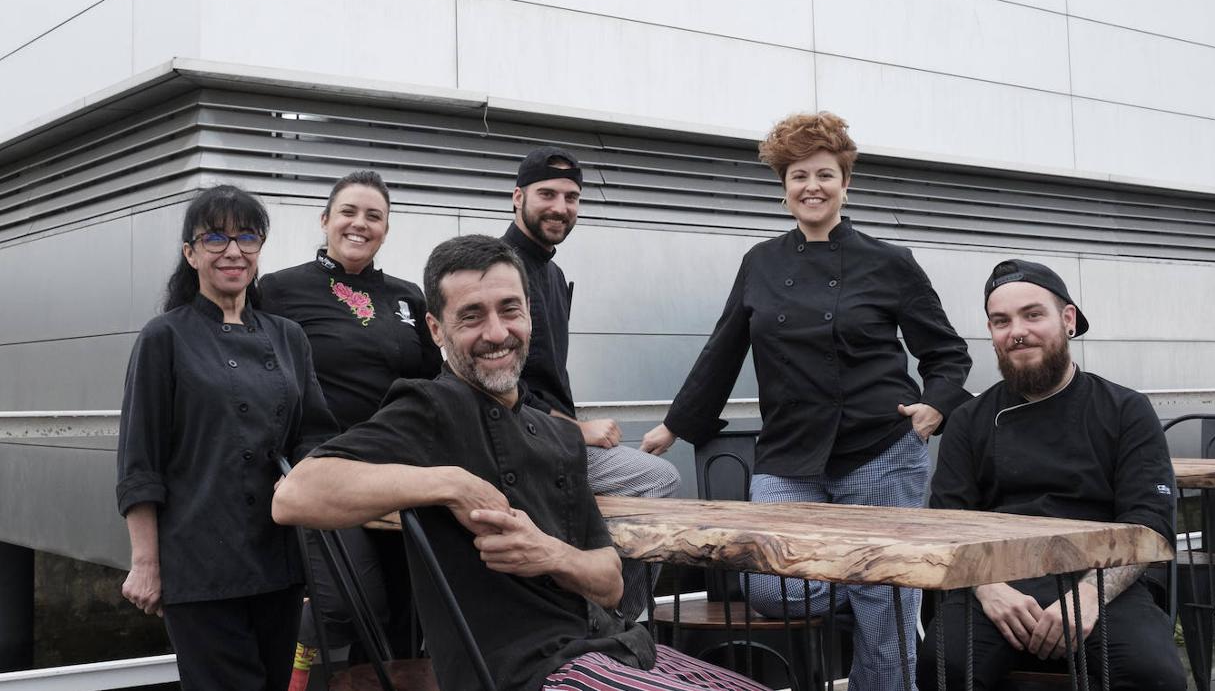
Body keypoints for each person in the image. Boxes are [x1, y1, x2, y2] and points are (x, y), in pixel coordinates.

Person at [272, 234, 769, 691]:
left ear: (529, 314)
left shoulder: (558, 434)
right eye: (471, 316)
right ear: (435, 330)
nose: (497, 332)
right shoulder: (431, 407)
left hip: (616, 646)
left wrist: (549, 553)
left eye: (510, 309)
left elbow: (610, 582)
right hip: (520, 674)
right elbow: (295, 495)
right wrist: (450, 482)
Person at [641, 112, 972, 690]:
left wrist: (935, 406)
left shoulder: (889, 262)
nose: (811, 186)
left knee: (882, 603)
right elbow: (724, 350)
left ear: (847, 183)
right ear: (784, 186)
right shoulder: (761, 262)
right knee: (774, 584)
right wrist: (674, 427)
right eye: (798, 175)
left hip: (881, 449)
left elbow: (947, 354)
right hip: (790, 454)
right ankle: (889, 587)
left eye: (824, 174)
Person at [916, 260, 1185, 691]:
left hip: (1100, 579)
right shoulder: (969, 420)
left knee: (1155, 676)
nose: (1016, 331)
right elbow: (948, 523)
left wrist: (1089, 595)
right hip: (997, 582)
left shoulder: (1125, 409)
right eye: (1001, 321)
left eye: (1032, 314)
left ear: (1068, 319)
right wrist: (988, 589)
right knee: (943, 667)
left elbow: (1150, 523)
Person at [116, 184, 337, 691]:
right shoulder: (164, 337)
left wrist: (312, 476)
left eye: (247, 237)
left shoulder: (289, 337)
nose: (232, 250)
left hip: (278, 558)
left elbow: (315, 435)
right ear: (191, 254)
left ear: (260, 249)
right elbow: (139, 461)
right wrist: (145, 563)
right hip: (199, 563)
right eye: (215, 237)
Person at [259, 170, 441, 675]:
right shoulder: (278, 290)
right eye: (348, 212)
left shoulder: (409, 298)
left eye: (374, 216)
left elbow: (435, 379)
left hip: (403, 471)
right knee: (351, 604)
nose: (360, 224)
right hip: (327, 465)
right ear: (325, 220)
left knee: (410, 613)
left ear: (386, 228)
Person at [503, 146, 681, 620]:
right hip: (518, 439)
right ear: (517, 197)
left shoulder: (552, 271)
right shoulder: (501, 267)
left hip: (549, 434)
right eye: (547, 194)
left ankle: (600, 614)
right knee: (658, 479)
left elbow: (542, 380)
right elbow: (499, 383)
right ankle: (620, 619)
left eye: (571, 197)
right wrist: (578, 431)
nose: (560, 207)